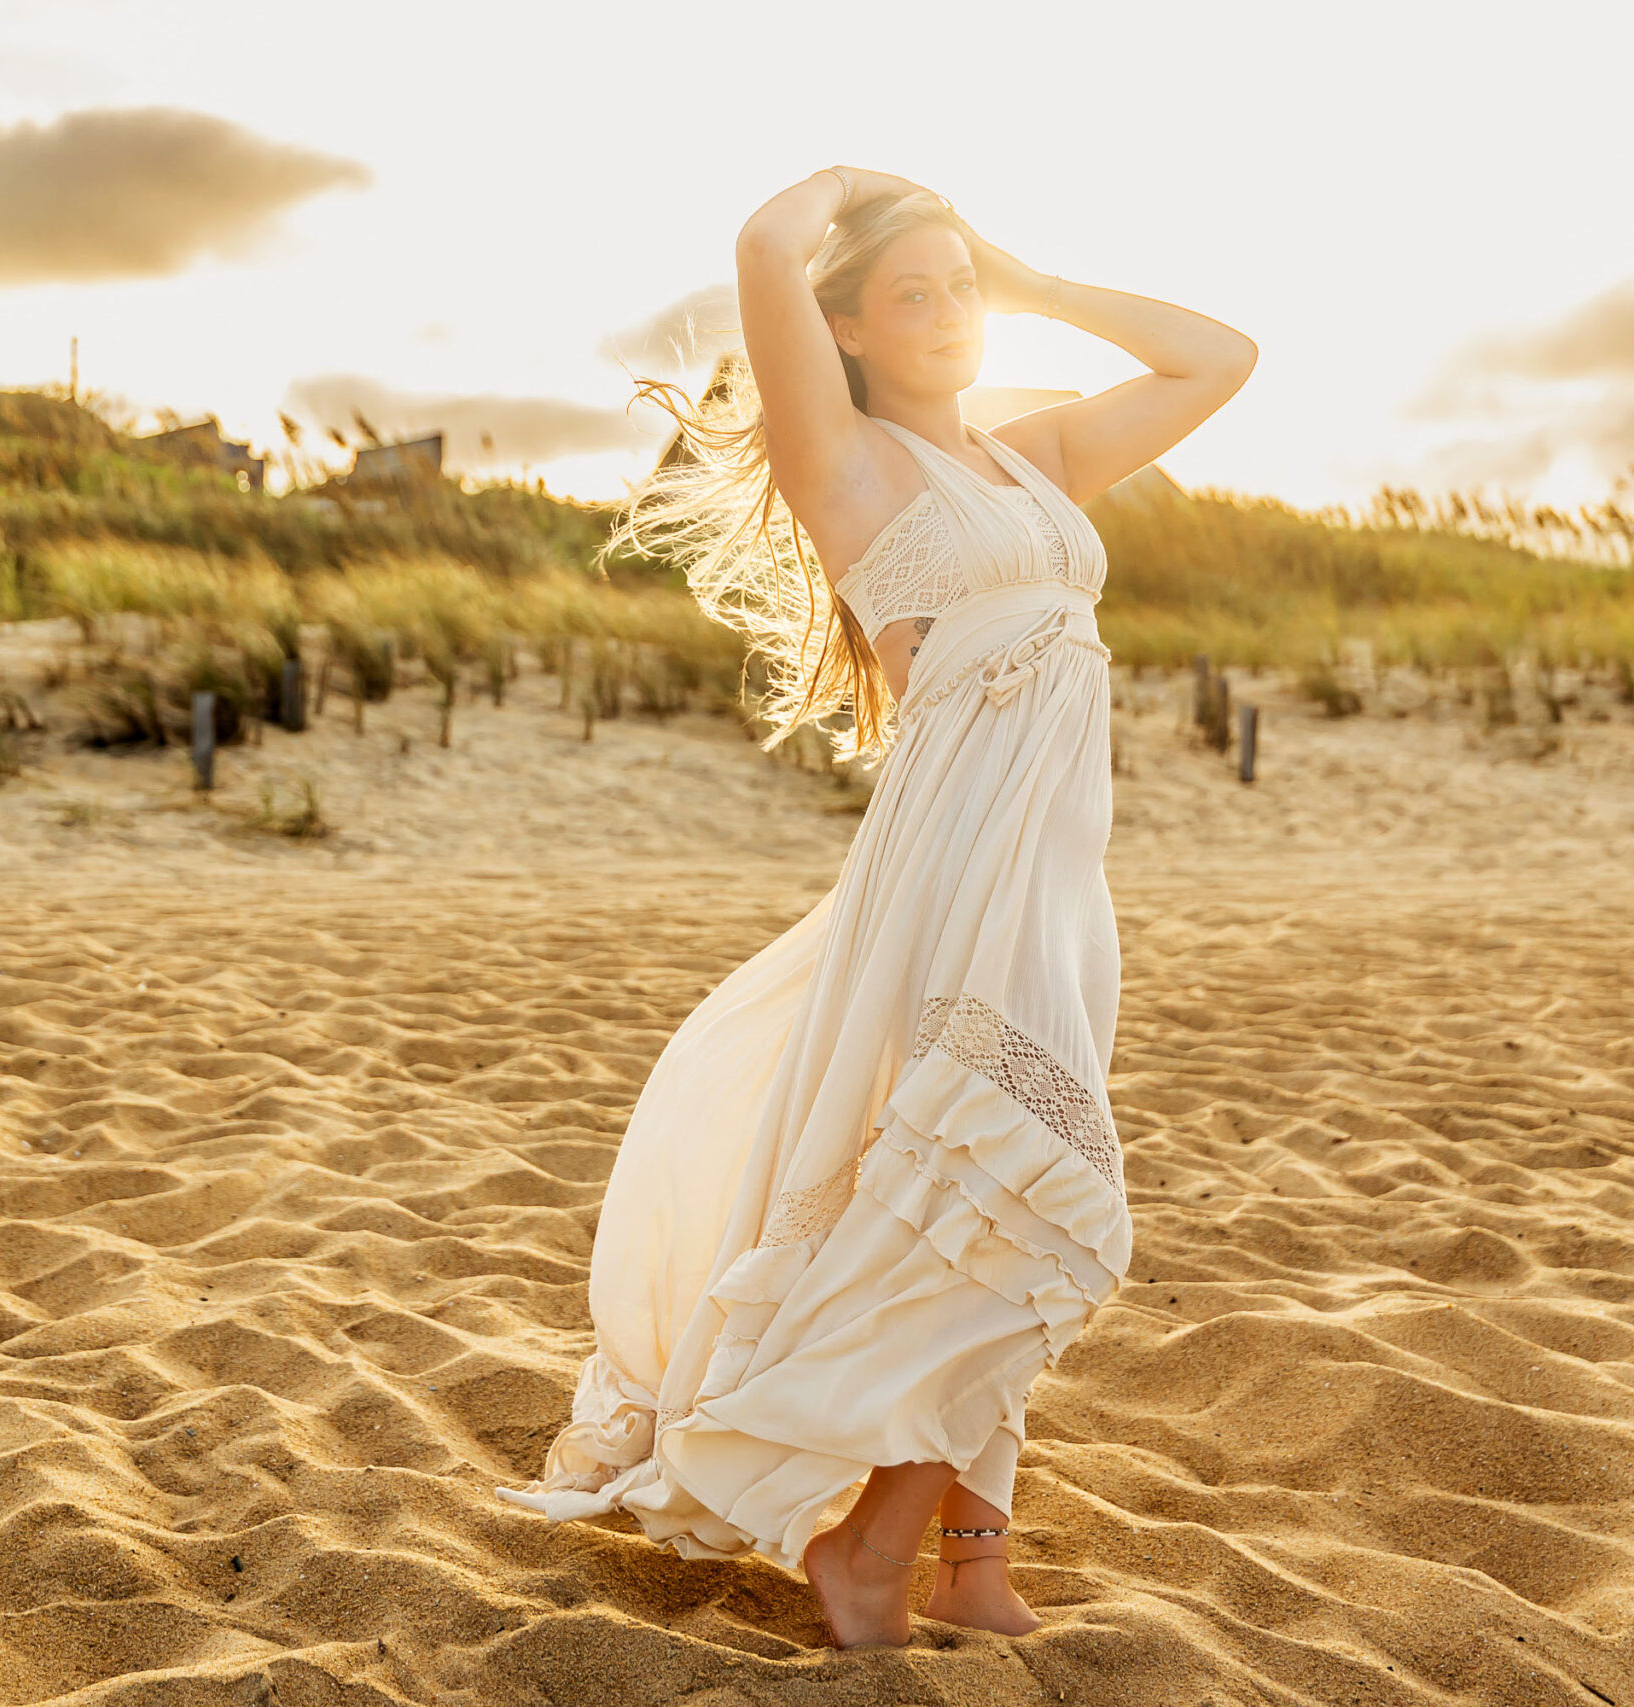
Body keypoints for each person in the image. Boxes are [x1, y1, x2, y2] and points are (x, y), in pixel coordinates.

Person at [497, 165, 1255, 1648]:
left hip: (1057, 878)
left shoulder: (1034, 456)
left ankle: (971, 1565)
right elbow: (763, 244)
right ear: (844, 328)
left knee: (992, 1194)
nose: (953, 313)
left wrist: (1024, 277)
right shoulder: (842, 464)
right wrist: (851, 185)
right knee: (1013, 1197)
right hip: (955, 866)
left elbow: (1218, 360)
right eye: (915, 294)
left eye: (962, 290)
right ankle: (869, 1550)